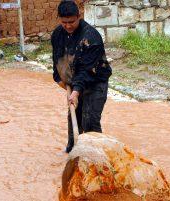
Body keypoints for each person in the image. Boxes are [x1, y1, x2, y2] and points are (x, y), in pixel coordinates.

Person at [51, 0, 112, 153]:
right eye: (64, 22)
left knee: (90, 121)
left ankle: (97, 157)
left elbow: (86, 70)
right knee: (74, 121)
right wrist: (58, 78)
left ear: (79, 16)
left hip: (94, 82)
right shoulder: (57, 34)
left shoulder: (91, 37)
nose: (68, 26)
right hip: (74, 84)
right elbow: (57, 58)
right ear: (59, 18)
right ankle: (72, 153)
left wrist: (76, 91)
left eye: (71, 21)